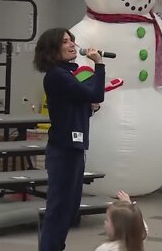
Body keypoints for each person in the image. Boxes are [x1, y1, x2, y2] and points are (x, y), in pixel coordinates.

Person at [34, 28, 105, 251]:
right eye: (65, 41)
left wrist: (88, 106)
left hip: (74, 147)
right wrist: (99, 64)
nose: (72, 44)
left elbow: (82, 103)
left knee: (70, 207)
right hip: (63, 149)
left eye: (72, 39)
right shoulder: (57, 75)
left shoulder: (67, 74)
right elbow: (96, 94)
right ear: (53, 49)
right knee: (59, 209)